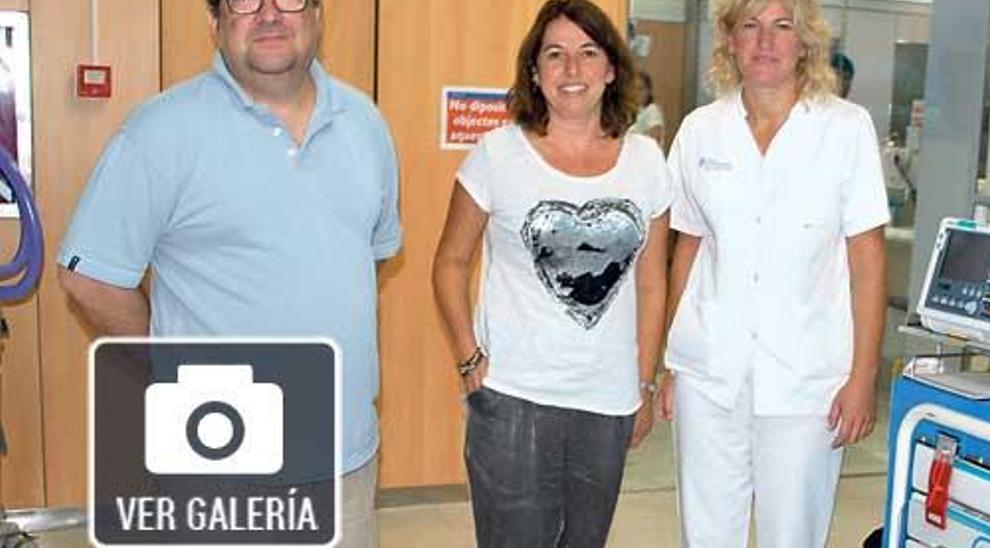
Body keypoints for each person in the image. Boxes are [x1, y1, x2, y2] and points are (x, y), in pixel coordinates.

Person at [57, 0, 401, 545]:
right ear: (215, 22)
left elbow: (367, 256)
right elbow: (89, 277)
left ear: (317, 14)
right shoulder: (160, 131)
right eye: (245, 1)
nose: (269, 14)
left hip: (344, 459)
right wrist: (171, 359)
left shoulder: (366, 125)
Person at [431, 1, 670, 546]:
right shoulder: (497, 154)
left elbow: (653, 281)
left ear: (611, 69)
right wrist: (469, 359)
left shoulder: (646, 162)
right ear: (534, 72)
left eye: (588, 53)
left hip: (606, 403)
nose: (571, 70)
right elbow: (448, 262)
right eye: (555, 54)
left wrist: (643, 382)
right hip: (514, 397)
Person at [657, 0, 889, 546]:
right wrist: (670, 362)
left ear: (805, 42)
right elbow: (686, 250)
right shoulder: (700, 131)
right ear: (730, 41)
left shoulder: (845, 128)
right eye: (750, 26)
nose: (765, 41)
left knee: (794, 534)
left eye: (782, 26)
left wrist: (863, 378)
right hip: (708, 372)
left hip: (807, 379)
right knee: (707, 532)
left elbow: (867, 259)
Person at [629, 70, 666, 143]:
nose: (636, 93)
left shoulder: (652, 110)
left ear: (649, 90)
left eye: (640, 89)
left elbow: (655, 137)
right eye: (633, 89)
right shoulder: (634, 111)